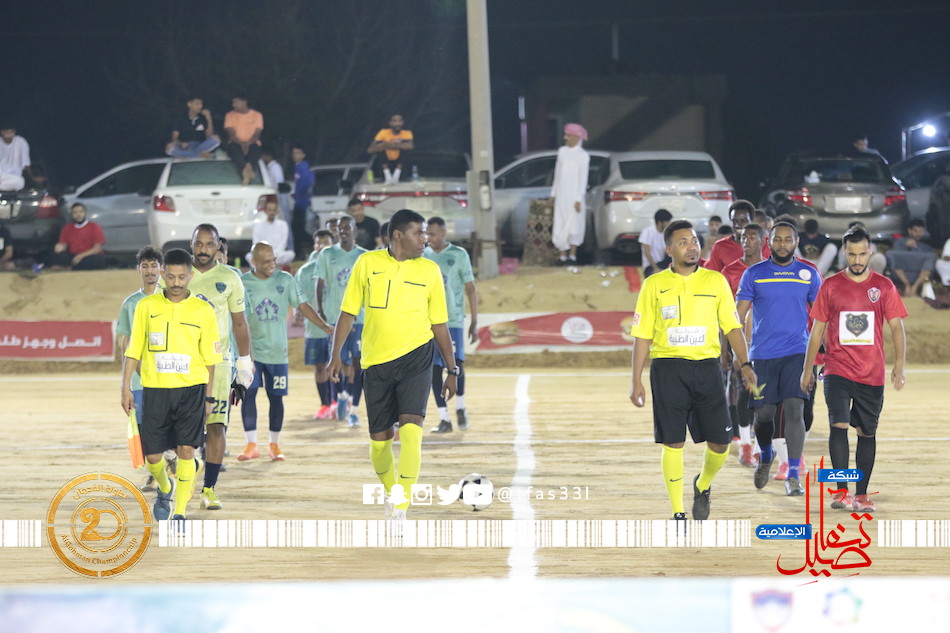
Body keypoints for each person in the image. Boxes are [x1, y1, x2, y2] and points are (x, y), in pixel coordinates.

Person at [328, 209, 457, 524]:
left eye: (425, 233)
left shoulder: (430, 270)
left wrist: (452, 369)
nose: (424, 239)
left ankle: (401, 507)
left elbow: (439, 324)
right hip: (376, 363)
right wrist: (335, 355)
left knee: (412, 432)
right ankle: (393, 492)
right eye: (418, 233)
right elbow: (348, 312)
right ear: (397, 235)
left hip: (417, 357)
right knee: (379, 444)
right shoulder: (367, 264)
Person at [630, 219, 757, 521]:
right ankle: (677, 511)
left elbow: (732, 327)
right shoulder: (653, 285)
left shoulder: (715, 281)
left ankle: (702, 484)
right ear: (668, 249)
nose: (692, 247)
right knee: (673, 441)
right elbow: (642, 335)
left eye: (695, 241)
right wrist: (635, 381)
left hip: (707, 369)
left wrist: (745, 364)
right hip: (668, 369)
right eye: (683, 242)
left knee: (721, 443)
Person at [801, 225, 908, 512]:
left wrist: (899, 364)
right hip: (837, 369)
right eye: (852, 254)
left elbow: (897, 327)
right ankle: (841, 491)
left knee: (865, 432)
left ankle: (861, 495)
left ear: (870, 252)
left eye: (862, 254)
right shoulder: (830, 286)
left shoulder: (884, 286)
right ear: (844, 253)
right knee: (837, 424)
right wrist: (807, 369)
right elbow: (817, 330)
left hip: (871, 373)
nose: (857, 260)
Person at [121, 248, 222, 524]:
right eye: (172, 277)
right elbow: (133, 349)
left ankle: (179, 511)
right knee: (152, 456)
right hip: (155, 390)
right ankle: (165, 487)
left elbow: (210, 360)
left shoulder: (203, 310)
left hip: (192, 390)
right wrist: (125, 387)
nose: (177, 283)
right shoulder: (146, 307)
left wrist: (209, 398)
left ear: (190, 276)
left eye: (182, 277)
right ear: (163, 274)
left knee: (186, 450)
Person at [736, 221, 822, 496]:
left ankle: (793, 474)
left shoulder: (809, 275)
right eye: (777, 239)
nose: (782, 244)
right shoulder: (753, 274)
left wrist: (823, 354)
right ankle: (766, 454)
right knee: (764, 415)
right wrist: (738, 355)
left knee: (795, 409)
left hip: (797, 353)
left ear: (796, 242)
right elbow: (737, 317)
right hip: (762, 356)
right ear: (769, 242)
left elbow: (821, 318)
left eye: (787, 239)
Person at [239, 242, 333, 461]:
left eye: (273, 260)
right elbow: (237, 318)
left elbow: (303, 305)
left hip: (277, 353)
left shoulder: (286, 280)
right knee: (248, 396)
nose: (272, 265)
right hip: (250, 353)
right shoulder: (243, 284)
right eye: (266, 262)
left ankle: (274, 444)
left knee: (276, 399)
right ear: (254, 262)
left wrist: (325, 327)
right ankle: (251, 444)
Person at [188, 224, 254, 510]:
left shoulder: (230, 277)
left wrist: (244, 362)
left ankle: (209, 489)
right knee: (184, 428)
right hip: (184, 364)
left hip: (220, 363)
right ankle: (183, 478)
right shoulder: (178, 274)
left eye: (209, 244)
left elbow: (239, 322)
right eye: (198, 244)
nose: (203, 250)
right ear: (191, 244)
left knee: (216, 425)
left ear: (218, 247)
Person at [116, 246, 166, 491]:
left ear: (161, 269)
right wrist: (125, 382)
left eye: (154, 265)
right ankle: (155, 474)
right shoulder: (131, 303)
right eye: (145, 266)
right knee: (145, 429)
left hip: (168, 376)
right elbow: (125, 342)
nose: (149, 270)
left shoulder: (170, 299)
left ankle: (170, 465)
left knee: (166, 425)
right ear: (138, 269)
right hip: (139, 381)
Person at [424, 216, 478, 433]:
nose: (429, 237)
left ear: (444, 233)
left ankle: (461, 407)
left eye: (433, 233)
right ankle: (444, 418)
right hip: (428, 322)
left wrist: (474, 321)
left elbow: (470, 288)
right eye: (427, 233)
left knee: (455, 365)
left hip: (453, 320)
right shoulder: (423, 255)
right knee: (433, 369)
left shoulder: (458, 254)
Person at [721, 223, 767, 467]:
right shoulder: (729, 272)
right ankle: (746, 444)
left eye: (752, 237)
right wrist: (725, 348)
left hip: (768, 341)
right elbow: (725, 314)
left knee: (764, 395)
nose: (746, 241)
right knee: (743, 390)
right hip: (741, 339)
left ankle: (760, 446)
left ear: (763, 240)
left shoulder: (771, 269)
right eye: (743, 238)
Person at [316, 215, 369, 426]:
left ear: (355, 230)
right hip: (334, 318)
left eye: (347, 227)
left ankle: (354, 410)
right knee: (336, 359)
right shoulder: (327, 254)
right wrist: (321, 311)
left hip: (360, 318)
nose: (343, 231)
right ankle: (341, 396)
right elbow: (320, 283)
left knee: (359, 364)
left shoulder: (364, 256)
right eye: (340, 228)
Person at [295, 229, 336, 418]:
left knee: (338, 364)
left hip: (336, 324)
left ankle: (337, 402)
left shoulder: (337, 267)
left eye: (325, 242)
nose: (321, 246)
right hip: (314, 327)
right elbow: (298, 296)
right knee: (320, 366)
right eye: (318, 242)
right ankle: (325, 404)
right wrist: (297, 313)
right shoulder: (305, 271)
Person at [549, 123, 590, 265]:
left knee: (574, 225)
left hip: (575, 197)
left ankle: (572, 256)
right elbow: (557, 174)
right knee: (560, 222)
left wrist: (578, 199)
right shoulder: (562, 152)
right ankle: (562, 256)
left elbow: (583, 178)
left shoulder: (583, 155)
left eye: (568, 135)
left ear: (576, 137)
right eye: (565, 135)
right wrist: (553, 194)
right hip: (562, 196)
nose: (565, 138)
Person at [885, 218, 937, 297]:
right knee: (891, 254)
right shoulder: (900, 242)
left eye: (921, 231)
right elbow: (892, 258)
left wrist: (918, 249)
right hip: (902, 274)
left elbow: (929, 264)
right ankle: (907, 285)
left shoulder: (926, 247)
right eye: (915, 231)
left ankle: (915, 287)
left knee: (932, 256)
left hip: (919, 274)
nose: (918, 234)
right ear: (909, 231)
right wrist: (905, 247)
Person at [48, 203, 107, 270]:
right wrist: (59, 247)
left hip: (88, 255)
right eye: (75, 212)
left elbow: (97, 249)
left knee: (97, 259)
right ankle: (71, 267)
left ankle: (69, 268)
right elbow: (63, 245)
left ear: (85, 213)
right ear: (72, 215)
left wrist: (80, 256)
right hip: (73, 255)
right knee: (56, 255)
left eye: (81, 212)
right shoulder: (67, 228)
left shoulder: (94, 226)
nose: (78, 215)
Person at [705, 200, 758, 272]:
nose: (738, 225)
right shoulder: (720, 246)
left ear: (752, 221)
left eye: (743, 221)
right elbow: (713, 275)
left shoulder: (766, 244)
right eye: (734, 221)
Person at [223, 96, 264, 185]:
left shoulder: (257, 115)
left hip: (252, 143)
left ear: (244, 102)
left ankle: (247, 170)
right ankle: (247, 170)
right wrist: (241, 143)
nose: (233, 105)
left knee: (255, 150)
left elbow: (257, 134)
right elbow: (231, 134)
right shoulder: (230, 115)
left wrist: (248, 143)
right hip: (235, 143)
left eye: (236, 102)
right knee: (235, 151)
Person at [367, 114, 414, 185]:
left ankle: (396, 175)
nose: (397, 123)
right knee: (380, 150)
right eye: (395, 121)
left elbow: (410, 146)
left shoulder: (407, 133)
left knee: (405, 151)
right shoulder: (383, 132)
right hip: (385, 166)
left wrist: (390, 145)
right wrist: (387, 145)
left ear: (402, 123)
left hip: (401, 168)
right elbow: (370, 149)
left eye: (400, 121)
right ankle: (387, 176)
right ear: (390, 123)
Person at [249, 200, 295, 266]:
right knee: (248, 256)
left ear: (277, 211)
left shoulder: (283, 224)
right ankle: (266, 264)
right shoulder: (258, 225)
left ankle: (266, 264)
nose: (272, 212)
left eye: (274, 210)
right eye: (270, 210)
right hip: (262, 255)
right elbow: (256, 243)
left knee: (291, 254)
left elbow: (283, 243)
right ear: (265, 211)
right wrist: (264, 254)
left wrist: (274, 254)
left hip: (277, 255)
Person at [290, 145, 314, 258]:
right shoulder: (299, 167)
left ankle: (300, 251)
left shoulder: (302, 168)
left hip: (301, 204)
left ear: (303, 155)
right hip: (300, 202)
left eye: (297, 153)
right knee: (298, 228)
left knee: (298, 229)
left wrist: (298, 195)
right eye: (294, 153)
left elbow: (305, 184)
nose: (294, 155)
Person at [639, 208, 673, 277]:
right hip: (650, 266)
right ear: (660, 222)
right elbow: (647, 252)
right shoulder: (648, 231)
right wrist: (655, 268)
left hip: (663, 263)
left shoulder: (666, 233)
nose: (669, 223)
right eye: (667, 221)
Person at [0, 125, 31, 191]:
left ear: (14, 132)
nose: (9, 135)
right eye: (6, 132)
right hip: (1, 175)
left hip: (14, 177)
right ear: (2, 132)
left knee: (20, 182)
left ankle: (2, 188)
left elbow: (26, 162)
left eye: (11, 132)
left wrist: (32, 177)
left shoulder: (21, 141)